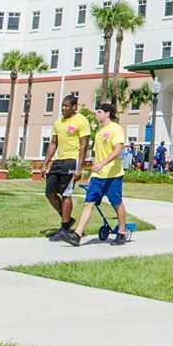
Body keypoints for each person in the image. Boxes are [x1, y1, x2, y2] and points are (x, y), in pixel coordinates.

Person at [61, 103, 128, 246]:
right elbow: (97, 156)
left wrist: (103, 163)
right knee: (88, 203)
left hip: (113, 175)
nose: (96, 114)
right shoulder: (98, 132)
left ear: (108, 113)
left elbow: (118, 150)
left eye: (99, 111)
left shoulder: (116, 129)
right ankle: (77, 235)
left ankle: (121, 233)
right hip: (98, 176)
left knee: (116, 203)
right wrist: (92, 173)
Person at [39, 95, 90, 241]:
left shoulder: (81, 121)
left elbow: (84, 145)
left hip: (71, 162)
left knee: (66, 194)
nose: (63, 108)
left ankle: (64, 228)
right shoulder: (58, 122)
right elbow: (53, 143)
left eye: (66, 106)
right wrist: (45, 164)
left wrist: (79, 168)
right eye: (62, 105)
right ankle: (67, 220)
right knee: (50, 193)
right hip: (58, 161)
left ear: (74, 106)